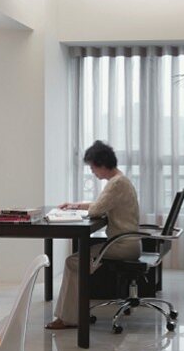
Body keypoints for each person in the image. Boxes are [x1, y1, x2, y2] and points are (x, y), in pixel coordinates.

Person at [45, 140, 141, 330]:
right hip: (127, 243)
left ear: (102, 164)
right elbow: (101, 204)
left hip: (121, 246)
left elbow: (96, 209)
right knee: (77, 260)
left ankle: (70, 318)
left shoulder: (116, 184)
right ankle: (75, 313)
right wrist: (75, 206)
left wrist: (81, 208)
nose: (92, 171)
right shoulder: (120, 180)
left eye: (92, 167)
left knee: (73, 262)